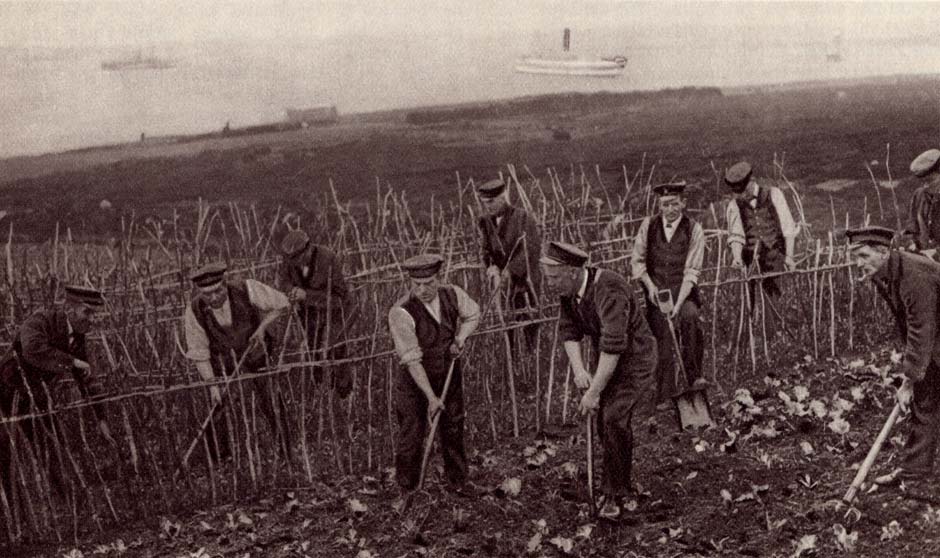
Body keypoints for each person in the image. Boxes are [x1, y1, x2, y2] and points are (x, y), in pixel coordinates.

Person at [541, 241, 657, 518]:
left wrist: (593, 392)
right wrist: (581, 371)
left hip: (635, 359)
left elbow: (614, 346)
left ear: (571, 272)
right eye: (547, 278)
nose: (549, 284)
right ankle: (621, 481)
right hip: (606, 360)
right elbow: (569, 333)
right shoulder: (568, 291)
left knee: (613, 417)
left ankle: (614, 493)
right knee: (607, 424)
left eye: (553, 278)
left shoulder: (610, 289)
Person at [846, 226, 940, 487]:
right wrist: (911, 373)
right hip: (935, 334)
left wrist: (908, 381)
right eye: (855, 257)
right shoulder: (882, 274)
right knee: (924, 401)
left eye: (863, 256)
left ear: (883, 252)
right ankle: (915, 474)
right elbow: (906, 324)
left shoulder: (915, 276)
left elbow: (922, 329)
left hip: (934, 330)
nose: (858, 264)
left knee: (922, 392)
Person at [0, 285, 115, 495]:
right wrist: (73, 362)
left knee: (50, 442)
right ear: (70, 309)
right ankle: (12, 509)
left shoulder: (78, 338)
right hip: (6, 393)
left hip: (37, 395)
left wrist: (101, 419)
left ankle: (66, 496)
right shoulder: (40, 321)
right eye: (87, 312)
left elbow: (88, 380)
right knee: (5, 451)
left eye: (94, 314)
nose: (92, 319)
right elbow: (33, 350)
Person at [388, 254, 480, 493]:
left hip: (448, 373)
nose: (423, 289)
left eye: (428, 283)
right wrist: (430, 397)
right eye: (417, 284)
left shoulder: (452, 294)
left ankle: (458, 483)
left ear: (438, 278)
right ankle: (408, 490)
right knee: (412, 433)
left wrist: (460, 338)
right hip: (414, 382)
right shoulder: (401, 312)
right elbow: (411, 358)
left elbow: (473, 315)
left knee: (453, 426)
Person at [183, 262, 291, 461]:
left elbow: (283, 304)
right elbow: (199, 352)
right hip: (225, 364)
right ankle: (221, 459)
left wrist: (263, 328)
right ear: (199, 292)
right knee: (218, 407)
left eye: (217, 291)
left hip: (257, 355)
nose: (214, 297)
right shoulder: (194, 310)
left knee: (271, 400)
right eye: (207, 294)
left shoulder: (246, 288)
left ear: (225, 283)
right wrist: (212, 385)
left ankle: (286, 450)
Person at [631, 181, 707, 405]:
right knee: (662, 337)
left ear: (683, 203)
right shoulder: (649, 225)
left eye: (674, 204)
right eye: (665, 204)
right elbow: (638, 262)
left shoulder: (694, 229)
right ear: (659, 205)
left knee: (690, 318)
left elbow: (692, 271)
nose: (670, 209)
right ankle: (666, 393)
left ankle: (693, 380)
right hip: (657, 294)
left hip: (683, 292)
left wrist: (678, 302)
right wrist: (651, 288)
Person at [280, 230, 354, 398]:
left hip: (336, 312)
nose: (296, 264)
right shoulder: (289, 261)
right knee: (312, 349)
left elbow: (340, 298)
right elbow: (284, 281)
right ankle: (318, 390)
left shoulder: (327, 258)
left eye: (299, 258)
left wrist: (307, 295)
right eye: (292, 261)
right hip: (310, 314)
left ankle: (344, 393)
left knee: (335, 347)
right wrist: (291, 290)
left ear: (309, 249)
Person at [477, 177, 542, 351]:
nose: (488, 206)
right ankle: (511, 360)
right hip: (501, 284)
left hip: (525, 280)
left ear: (502, 197)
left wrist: (511, 271)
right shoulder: (485, 222)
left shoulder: (522, 217)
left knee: (529, 320)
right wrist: (491, 266)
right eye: (485, 203)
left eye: (491, 202)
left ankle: (532, 355)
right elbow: (486, 249)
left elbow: (531, 249)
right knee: (506, 323)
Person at [724, 161, 799, 298]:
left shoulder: (774, 194)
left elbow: (788, 228)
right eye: (738, 192)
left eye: (745, 190)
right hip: (751, 262)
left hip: (775, 257)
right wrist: (736, 257)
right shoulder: (734, 206)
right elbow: (736, 235)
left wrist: (789, 257)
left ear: (752, 181)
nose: (742, 195)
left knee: (776, 298)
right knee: (753, 301)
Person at [905, 148, 940, 256]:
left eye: (930, 181)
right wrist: (911, 244)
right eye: (923, 182)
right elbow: (911, 228)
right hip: (925, 260)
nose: (926, 186)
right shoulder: (919, 195)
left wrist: (936, 253)